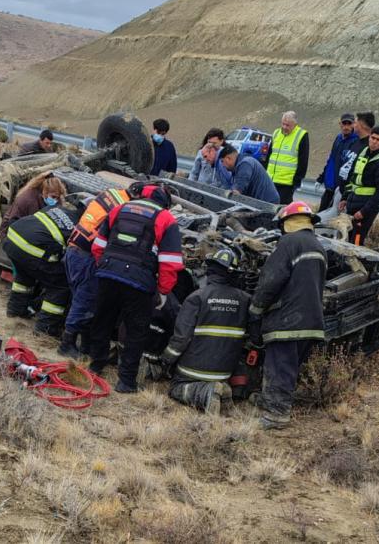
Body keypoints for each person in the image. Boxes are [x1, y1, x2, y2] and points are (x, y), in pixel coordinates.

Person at [88, 184, 184, 393]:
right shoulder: (166, 219)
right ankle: (126, 381)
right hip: (138, 282)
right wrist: (163, 291)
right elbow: (170, 262)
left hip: (107, 273)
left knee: (102, 320)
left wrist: (106, 267)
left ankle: (95, 365)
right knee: (136, 330)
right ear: (165, 202)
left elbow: (98, 246)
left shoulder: (119, 209)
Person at [249, 202, 326, 429]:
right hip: (312, 319)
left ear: (286, 223)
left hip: (287, 320)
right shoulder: (318, 246)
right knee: (289, 366)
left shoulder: (288, 243)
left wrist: (256, 309)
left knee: (279, 365)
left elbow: (270, 281)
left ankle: (277, 413)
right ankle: (269, 399)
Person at [161, 248, 251, 414]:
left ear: (211, 270)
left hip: (192, 370)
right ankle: (223, 388)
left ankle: (206, 393)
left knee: (175, 388)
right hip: (225, 373)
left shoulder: (197, 297)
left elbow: (181, 339)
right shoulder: (246, 300)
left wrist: (166, 360)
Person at [59, 185, 134, 358]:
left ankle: (85, 345)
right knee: (84, 300)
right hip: (86, 256)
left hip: (75, 249)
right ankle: (66, 344)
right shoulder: (124, 209)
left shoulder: (111, 194)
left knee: (83, 300)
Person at [3, 204, 80, 336]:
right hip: (30, 247)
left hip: (11, 238)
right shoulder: (80, 227)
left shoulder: (57, 208)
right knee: (60, 285)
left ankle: (15, 311)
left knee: (25, 274)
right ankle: (45, 329)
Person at [338, 125, 379, 246]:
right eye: (372, 138)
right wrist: (344, 198)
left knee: (357, 242)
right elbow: (353, 178)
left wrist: (364, 211)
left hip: (366, 208)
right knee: (346, 238)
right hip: (353, 202)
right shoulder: (363, 152)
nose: (374, 142)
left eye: (378, 139)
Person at [0, 172, 66, 239]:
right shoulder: (29, 201)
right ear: (44, 192)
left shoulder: (54, 198)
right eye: (53, 197)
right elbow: (15, 223)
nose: (56, 200)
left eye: (58, 197)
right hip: (11, 231)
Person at [316, 113, 359, 212]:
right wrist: (321, 178)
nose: (346, 127)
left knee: (333, 216)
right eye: (344, 124)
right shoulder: (338, 138)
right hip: (330, 185)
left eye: (349, 124)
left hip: (341, 189)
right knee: (320, 214)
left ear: (354, 125)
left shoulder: (356, 141)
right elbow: (331, 160)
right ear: (340, 124)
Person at [265, 111, 310, 204]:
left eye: (288, 125)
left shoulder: (301, 135)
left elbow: (303, 161)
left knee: (281, 211)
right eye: (283, 124)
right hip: (270, 180)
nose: (284, 127)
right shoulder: (276, 133)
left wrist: (296, 182)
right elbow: (269, 155)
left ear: (295, 124)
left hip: (286, 183)